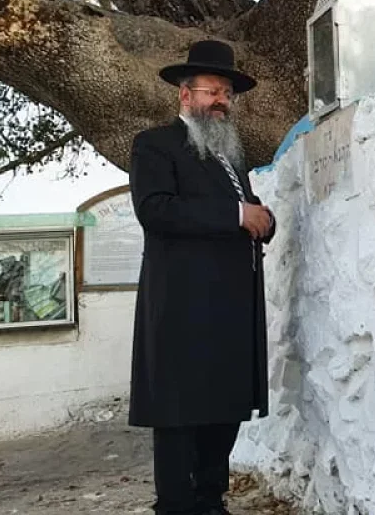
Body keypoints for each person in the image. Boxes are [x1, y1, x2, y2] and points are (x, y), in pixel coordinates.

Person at [127, 39, 277, 515]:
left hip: (232, 306)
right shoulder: (155, 145)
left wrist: (262, 219)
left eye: (227, 94)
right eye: (213, 92)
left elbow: (243, 211)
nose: (221, 102)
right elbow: (155, 210)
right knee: (180, 414)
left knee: (225, 407)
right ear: (185, 95)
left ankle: (210, 500)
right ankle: (174, 505)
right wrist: (236, 215)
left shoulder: (231, 156)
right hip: (182, 305)